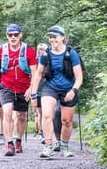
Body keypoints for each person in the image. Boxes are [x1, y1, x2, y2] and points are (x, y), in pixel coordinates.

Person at [30, 25, 83, 159]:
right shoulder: (45, 53)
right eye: (50, 37)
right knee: (47, 115)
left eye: (55, 37)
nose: (52, 39)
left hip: (68, 89)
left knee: (66, 121)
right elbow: (38, 75)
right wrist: (33, 94)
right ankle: (48, 146)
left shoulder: (71, 53)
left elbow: (79, 77)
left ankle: (64, 145)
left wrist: (73, 90)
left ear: (62, 37)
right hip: (50, 87)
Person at [0, 24, 37, 156]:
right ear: (7, 36)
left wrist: (32, 88)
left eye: (15, 34)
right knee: (7, 112)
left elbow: (34, 71)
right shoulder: (0, 52)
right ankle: (10, 144)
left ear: (20, 35)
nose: (13, 37)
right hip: (6, 86)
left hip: (23, 87)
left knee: (21, 116)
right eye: (10, 35)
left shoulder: (29, 51)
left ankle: (18, 140)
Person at [33, 43, 48, 143]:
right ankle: (42, 133)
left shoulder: (48, 61)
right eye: (39, 49)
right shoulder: (34, 62)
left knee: (46, 113)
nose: (40, 51)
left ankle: (45, 132)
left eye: (42, 49)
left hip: (47, 89)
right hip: (37, 90)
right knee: (40, 113)